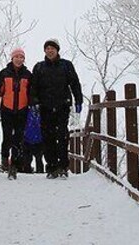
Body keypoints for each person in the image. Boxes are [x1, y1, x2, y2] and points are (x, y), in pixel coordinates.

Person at [28, 38, 83, 179]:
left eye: (52, 48)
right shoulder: (39, 67)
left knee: (62, 136)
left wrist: (78, 100)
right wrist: (33, 103)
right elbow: (33, 87)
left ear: (57, 50)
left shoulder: (66, 65)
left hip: (62, 106)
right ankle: (52, 167)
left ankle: (63, 167)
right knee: (48, 138)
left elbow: (75, 83)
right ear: (44, 51)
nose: (50, 51)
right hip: (45, 107)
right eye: (47, 48)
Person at [0, 47, 31, 179]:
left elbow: (32, 93)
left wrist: (34, 105)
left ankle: (14, 166)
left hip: (22, 110)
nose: (19, 59)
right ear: (12, 58)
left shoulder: (28, 75)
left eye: (21, 57)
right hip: (7, 110)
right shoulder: (4, 73)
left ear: (24, 59)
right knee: (7, 136)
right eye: (16, 57)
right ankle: (5, 160)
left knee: (19, 138)